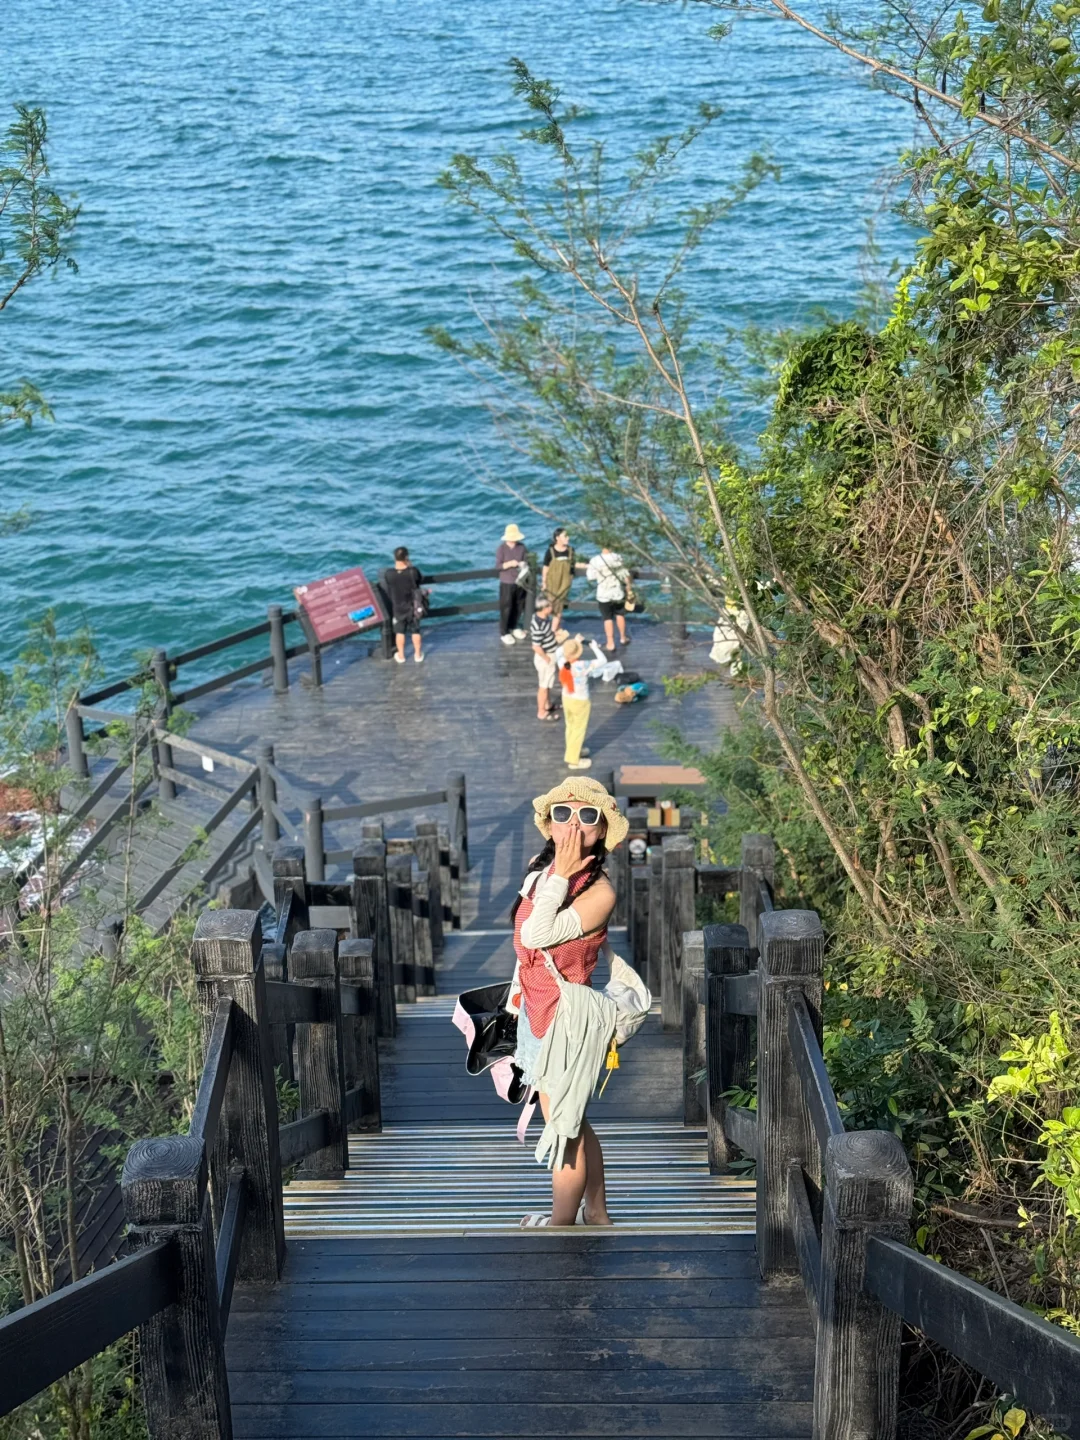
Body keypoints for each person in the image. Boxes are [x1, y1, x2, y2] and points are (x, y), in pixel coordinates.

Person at [509, 777, 630, 1227]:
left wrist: (559, 875)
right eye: (563, 814)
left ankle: (560, 1225)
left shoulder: (599, 892)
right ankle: (596, 1211)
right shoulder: (540, 871)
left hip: (568, 1021)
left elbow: (536, 935)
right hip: (536, 1012)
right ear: (549, 824)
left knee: (562, 1123)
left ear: (602, 831)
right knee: (572, 1118)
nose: (573, 825)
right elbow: (526, 949)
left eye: (587, 816)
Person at [556, 635, 605, 770]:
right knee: (579, 729)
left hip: (567, 698)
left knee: (570, 727)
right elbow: (603, 660)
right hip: (580, 701)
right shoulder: (582, 666)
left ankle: (574, 749)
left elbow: (558, 653)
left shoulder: (562, 662)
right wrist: (595, 647)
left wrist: (573, 643)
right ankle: (574, 760)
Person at [380, 546, 424, 664]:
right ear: (406, 557)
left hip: (398, 608)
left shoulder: (389, 574)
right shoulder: (413, 571)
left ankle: (401, 655)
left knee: (400, 632)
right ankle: (418, 655)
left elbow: (389, 583)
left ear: (395, 558)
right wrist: (410, 565)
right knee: (415, 631)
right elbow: (419, 580)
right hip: (412, 606)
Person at [586, 546, 631, 652]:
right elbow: (624, 575)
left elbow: (590, 577)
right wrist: (629, 589)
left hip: (603, 593)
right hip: (617, 592)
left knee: (607, 618)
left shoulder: (595, 560)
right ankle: (623, 638)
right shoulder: (618, 557)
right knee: (620, 614)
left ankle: (610, 643)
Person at [496, 523, 528, 645]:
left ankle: (514, 626)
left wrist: (523, 564)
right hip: (507, 582)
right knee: (506, 606)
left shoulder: (522, 547)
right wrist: (510, 564)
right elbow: (498, 566)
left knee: (519, 605)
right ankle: (504, 632)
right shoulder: (501, 549)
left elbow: (526, 560)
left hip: (520, 580)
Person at [529, 592, 559, 721]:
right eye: (550, 606)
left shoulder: (543, 618)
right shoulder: (539, 625)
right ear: (545, 608)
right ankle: (541, 711)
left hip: (550, 653)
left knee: (547, 684)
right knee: (544, 686)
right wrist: (546, 658)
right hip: (545, 657)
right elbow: (536, 646)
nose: (552, 608)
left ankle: (548, 705)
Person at [541, 527, 575, 626]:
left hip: (564, 584)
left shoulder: (571, 550)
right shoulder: (550, 551)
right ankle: (545, 628)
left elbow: (574, 564)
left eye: (568, 536)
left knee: (558, 609)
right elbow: (545, 567)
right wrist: (544, 582)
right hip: (551, 584)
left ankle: (553, 631)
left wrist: (588, 565)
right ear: (557, 538)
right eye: (565, 536)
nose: (568, 538)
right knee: (549, 606)